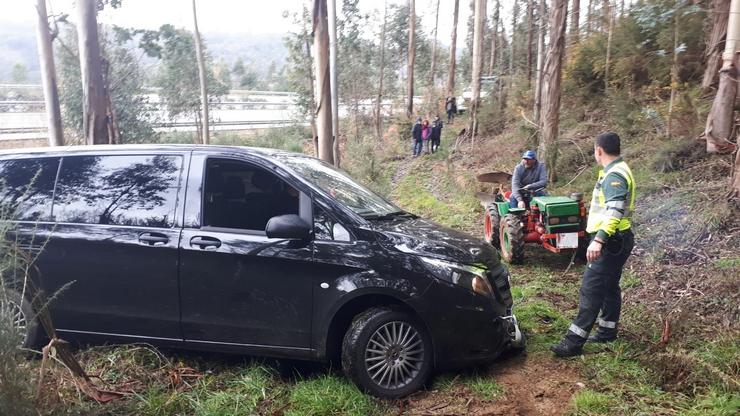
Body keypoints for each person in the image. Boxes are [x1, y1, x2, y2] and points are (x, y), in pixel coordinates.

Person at [551, 132, 636, 358]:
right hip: (618, 238)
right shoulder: (618, 169)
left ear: (599, 150)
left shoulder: (614, 175)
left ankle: (573, 343)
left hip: (610, 241)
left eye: (594, 150)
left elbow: (615, 210)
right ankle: (608, 331)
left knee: (591, 288)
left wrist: (598, 240)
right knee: (608, 286)